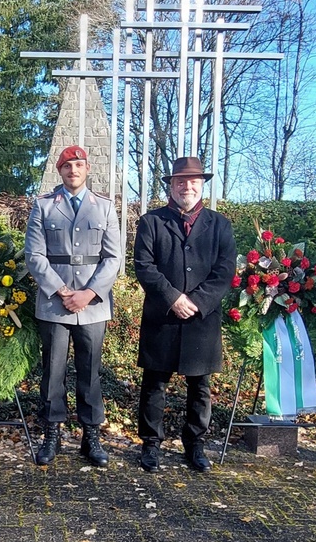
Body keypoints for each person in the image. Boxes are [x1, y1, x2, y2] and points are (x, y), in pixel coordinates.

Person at [133, 156, 236, 473]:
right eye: (180, 181)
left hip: (201, 320)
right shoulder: (151, 222)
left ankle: (195, 445)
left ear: (202, 184)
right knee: (154, 385)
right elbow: (144, 266)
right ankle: (151, 445)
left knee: (200, 387)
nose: (186, 186)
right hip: (162, 317)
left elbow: (224, 271)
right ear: (171, 186)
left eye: (193, 181)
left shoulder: (220, 225)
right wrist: (172, 297)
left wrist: (198, 302)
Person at [25, 145, 121, 467]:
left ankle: (90, 436)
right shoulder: (43, 206)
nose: (73, 170)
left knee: (90, 371)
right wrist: (63, 291)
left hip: (93, 305)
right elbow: (35, 256)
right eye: (67, 166)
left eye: (78, 165)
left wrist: (90, 293)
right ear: (60, 171)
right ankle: (51, 434)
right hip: (55, 302)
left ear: (87, 168)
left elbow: (113, 258)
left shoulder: (105, 208)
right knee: (53, 372)